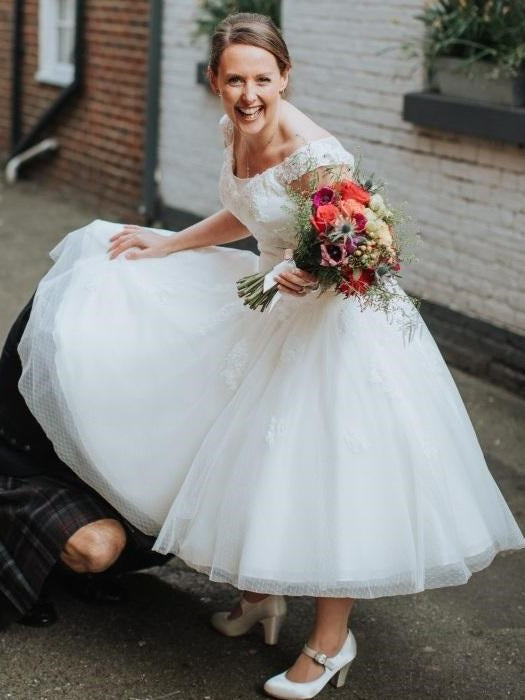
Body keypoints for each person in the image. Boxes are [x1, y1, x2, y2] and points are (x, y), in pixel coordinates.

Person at [16, 13, 524, 699]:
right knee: (248, 455)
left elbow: (366, 257)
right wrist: (167, 244)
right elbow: (252, 214)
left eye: (263, 79)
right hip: (271, 308)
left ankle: (329, 643)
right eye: (234, 80)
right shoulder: (236, 129)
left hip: (334, 330)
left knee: (320, 476)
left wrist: (311, 274)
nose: (248, 94)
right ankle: (259, 595)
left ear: (284, 77)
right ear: (215, 82)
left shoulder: (319, 155)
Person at [0, 298, 168, 630]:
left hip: (98, 470)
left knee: (173, 522)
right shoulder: (80, 298)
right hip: (27, 464)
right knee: (96, 547)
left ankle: (61, 561)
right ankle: (24, 558)